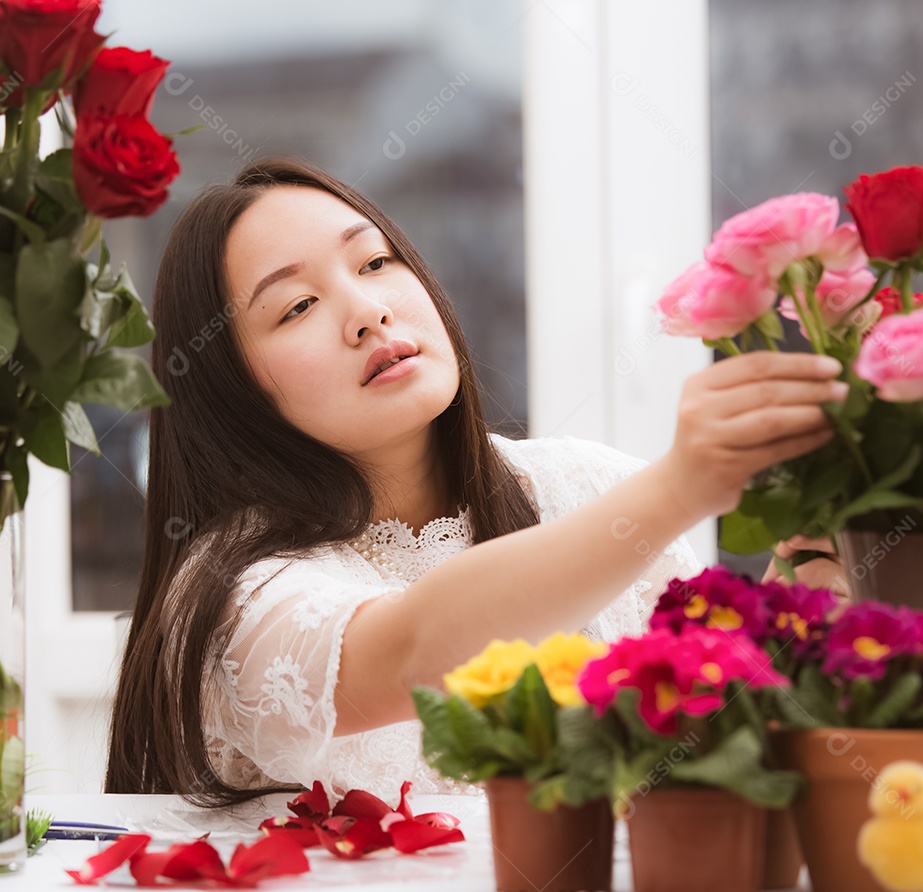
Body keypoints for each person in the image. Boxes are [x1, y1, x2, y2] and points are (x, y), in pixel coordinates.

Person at [105, 157, 849, 808]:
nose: (368, 312)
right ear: (231, 389)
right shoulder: (233, 596)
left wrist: (808, 591)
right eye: (297, 306)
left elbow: (707, 747)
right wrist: (682, 487)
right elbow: (413, 650)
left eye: (374, 263)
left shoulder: (590, 485)